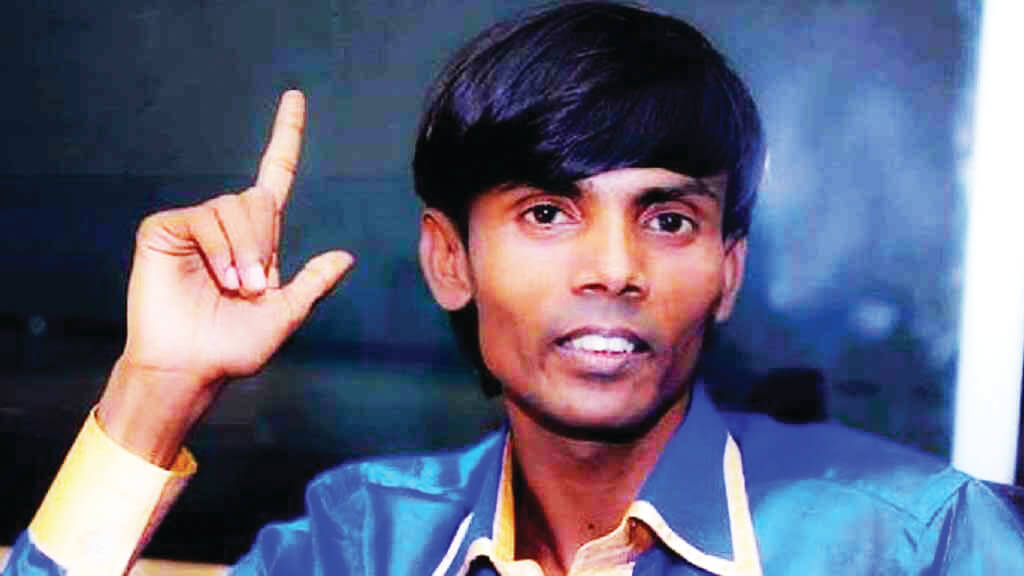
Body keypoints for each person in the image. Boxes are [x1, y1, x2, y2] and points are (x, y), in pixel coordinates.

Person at [4, 2, 1024, 575]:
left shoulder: (920, 542)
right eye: (547, 212)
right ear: (449, 260)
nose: (614, 268)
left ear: (728, 271)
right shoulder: (368, 540)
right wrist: (155, 391)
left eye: (669, 219)